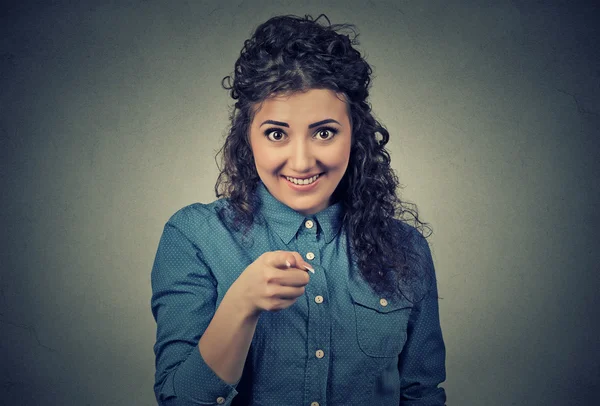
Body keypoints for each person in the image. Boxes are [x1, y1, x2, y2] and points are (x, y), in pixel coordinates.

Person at [150, 14, 446, 406]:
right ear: (248, 138)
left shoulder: (406, 248)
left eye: (324, 132)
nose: (302, 162)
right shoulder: (193, 237)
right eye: (277, 134)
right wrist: (241, 305)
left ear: (354, 135)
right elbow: (180, 401)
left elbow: (421, 394)